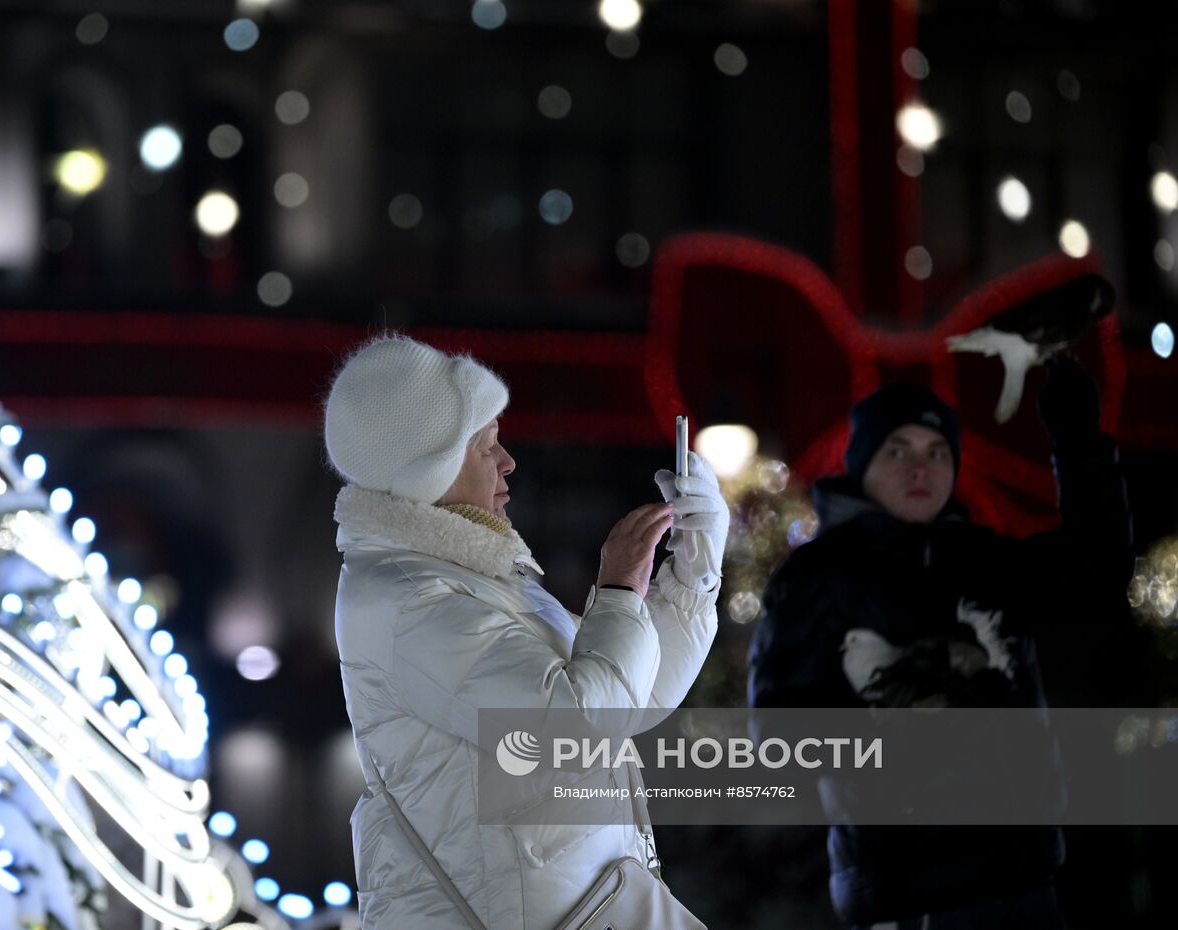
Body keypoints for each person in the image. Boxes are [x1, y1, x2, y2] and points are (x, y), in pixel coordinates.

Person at [325, 335, 728, 929]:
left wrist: (694, 572)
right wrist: (617, 592)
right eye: (486, 445)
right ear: (426, 473)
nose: (508, 460)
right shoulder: (410, 600)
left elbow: (631, 701)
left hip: (582, 909)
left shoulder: (476, 578)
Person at [748, 359, 1133, 929]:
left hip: (1027, 888)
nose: (920, 467)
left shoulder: (985, 560)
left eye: (937, 451)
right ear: (863, 465)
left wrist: (1079, 441)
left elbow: (1097, 573)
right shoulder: (817, 578)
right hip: (910, 901)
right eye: (898, 450)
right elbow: (778, 737)